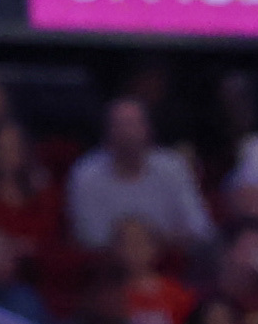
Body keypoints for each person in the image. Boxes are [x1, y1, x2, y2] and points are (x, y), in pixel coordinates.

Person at [64, 102, 211, 251]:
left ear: (148, 129)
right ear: (107, 132)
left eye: (133, 124)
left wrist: (156, 239)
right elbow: (89, 238)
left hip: (170, 259)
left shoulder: (173, 167)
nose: (128, 133)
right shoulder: (85, 175)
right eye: (120, 125)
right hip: (110, 265)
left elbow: (199, 227)